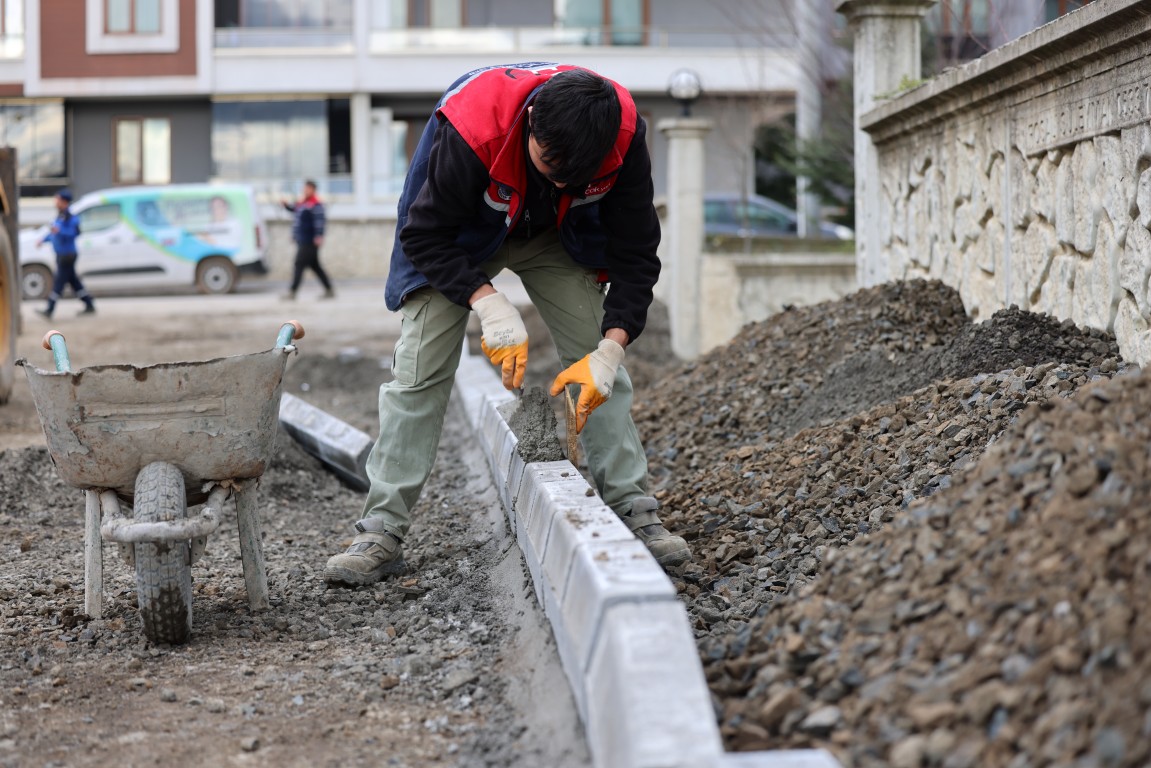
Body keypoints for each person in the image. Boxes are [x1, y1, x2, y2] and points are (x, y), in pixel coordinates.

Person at [323, 63, 690, 588]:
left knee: (595, 362)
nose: (559, 181)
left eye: (575, 177)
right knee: (419, 372)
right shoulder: (473, 128)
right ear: (532, 120)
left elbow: (637, 253)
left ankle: (635, 509)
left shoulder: (622, 133)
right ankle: (380, 529)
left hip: (556, 236)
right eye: (550, 165)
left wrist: (612, 349)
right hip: (459, 237)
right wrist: (488, 303)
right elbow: (424, 234)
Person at [37, 189, 95, 319]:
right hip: (61, 254)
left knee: (59, 282)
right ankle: (89, 303)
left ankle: (50, 309)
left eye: (57, 199)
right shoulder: (60, 216)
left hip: (67, 255)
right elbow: (53, 234)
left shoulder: (71, 217)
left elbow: (74, 233)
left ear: (64, 201)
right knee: (74, 282)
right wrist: (43, 240)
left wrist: (60, 231)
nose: (55, 202)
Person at [281, 180, 334, 300]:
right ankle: (329, 289)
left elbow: (320, 221)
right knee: (315, 266)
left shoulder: (316, 204)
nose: (305, 190)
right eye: (304, 188)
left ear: (313, 190)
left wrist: (319, 236)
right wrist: (285, 205)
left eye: (307, 188)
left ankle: (292, 292)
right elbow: (294, 210)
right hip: (302, 239)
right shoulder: (303, 203)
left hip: (310, 241)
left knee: (299, 264)